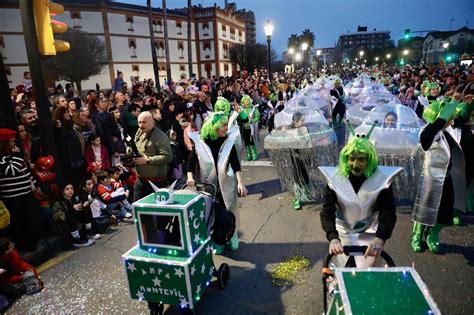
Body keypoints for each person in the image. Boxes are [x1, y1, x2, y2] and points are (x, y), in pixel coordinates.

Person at [319, 123, 401, 267]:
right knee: (341, 273)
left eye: (361, 159)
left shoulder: (382, 179)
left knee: (368, 274)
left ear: (370, 159)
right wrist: (332, 237)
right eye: (351, 158)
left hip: (370, 232)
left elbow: (387, 211)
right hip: (342, 231)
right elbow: (327, 211)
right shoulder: (335, 178)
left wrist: (380, 238)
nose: (355, 164)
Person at [411, 92, 467, 253]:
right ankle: (417, 234)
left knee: (445, 211)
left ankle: (433, 234)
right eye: (448, 117)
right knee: (424, 208)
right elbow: (437, 125)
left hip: (448, 178)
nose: (451, 119)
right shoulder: (427, 133)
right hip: (430, 179)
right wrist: (452, 104)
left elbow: (462, 117)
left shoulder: (450, 132)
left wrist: (464, 103)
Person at [187, 113, 248, 254]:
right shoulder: (200, 144)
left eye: (226, 125)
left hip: (227, 184)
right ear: (213, 127)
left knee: (229, 210)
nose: (226, 128)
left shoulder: (228, 142)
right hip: (208, 186)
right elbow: (190, 164)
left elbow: (235, 164)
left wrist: (240, 183)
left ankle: (231, 236)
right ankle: (217, 241)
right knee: (212, 214)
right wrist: (190, 178)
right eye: (223, 125)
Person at [133, 112, 173, 201]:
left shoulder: (160, 136)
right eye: (139, 122)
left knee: (155, 210)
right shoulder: (139, 132)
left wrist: (148, 160)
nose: (141, 125)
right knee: (137, 207)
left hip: (156, 181)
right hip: (140, 179)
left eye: (144, 122)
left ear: (152, 122)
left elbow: (167, 157)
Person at [51, 183, 95, 248]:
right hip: (63, 227)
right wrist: (72, 209)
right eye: (67, 189)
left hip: (74, 224)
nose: (70, 190)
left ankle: (88, 232)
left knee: (85, 210)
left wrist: (84, 206)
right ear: (62, 191)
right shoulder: (58, 203)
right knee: (71, 216)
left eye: (72, 188)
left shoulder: (73, 199)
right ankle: (76, 239)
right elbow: (61, 218)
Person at [240, 94, 260, 161]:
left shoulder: (253, 108)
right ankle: (248, 155)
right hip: (244, 128)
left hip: (251, 128)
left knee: (251, 141)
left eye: (247, 100)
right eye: (245, 100)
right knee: (246, 142)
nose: (246, 101)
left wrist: (253, 120)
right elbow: (239, 118)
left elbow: (257, 116)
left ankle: (254, 155)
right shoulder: (241, 109)